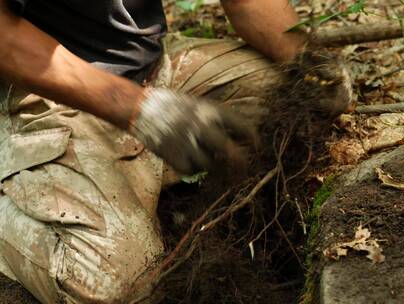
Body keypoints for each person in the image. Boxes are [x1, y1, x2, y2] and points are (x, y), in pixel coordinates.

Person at [0, 0, 352, 303]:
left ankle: (154, 188)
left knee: (292, 104)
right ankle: (15, 196)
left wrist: (305, 61)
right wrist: (137, 109)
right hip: (40, 92)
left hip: (152, 68)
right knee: (115, 289)